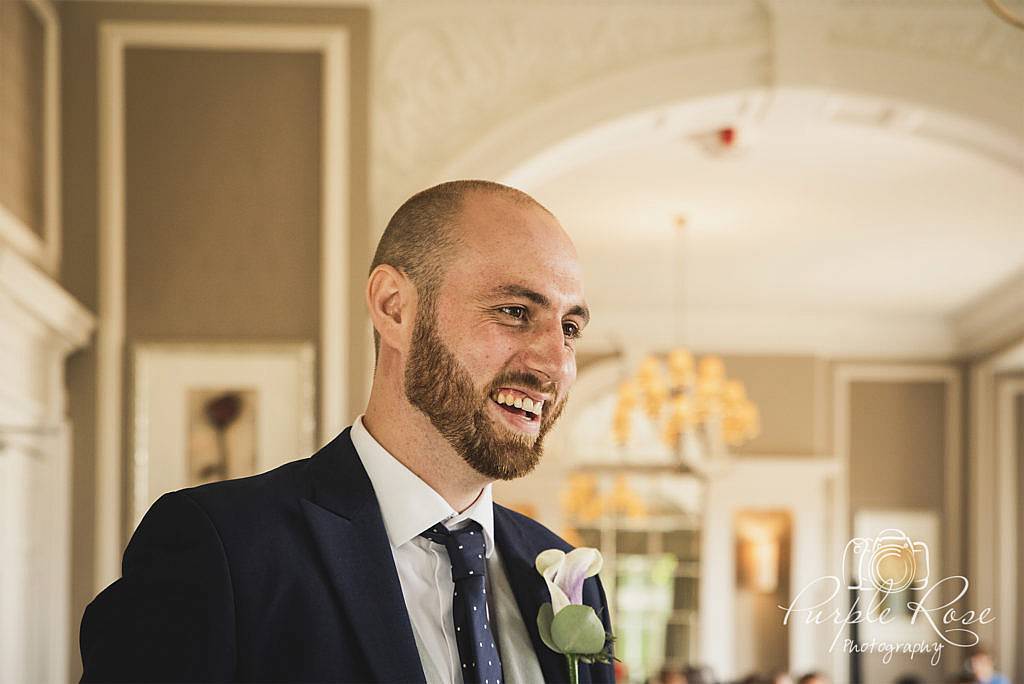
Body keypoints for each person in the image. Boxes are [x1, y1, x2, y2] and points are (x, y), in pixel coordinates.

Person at [79, 180, 613, 683]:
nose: (555, 365)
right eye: (515, 311)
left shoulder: (567, 578)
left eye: (569, 328)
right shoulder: (220, 549)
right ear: (394, 307)